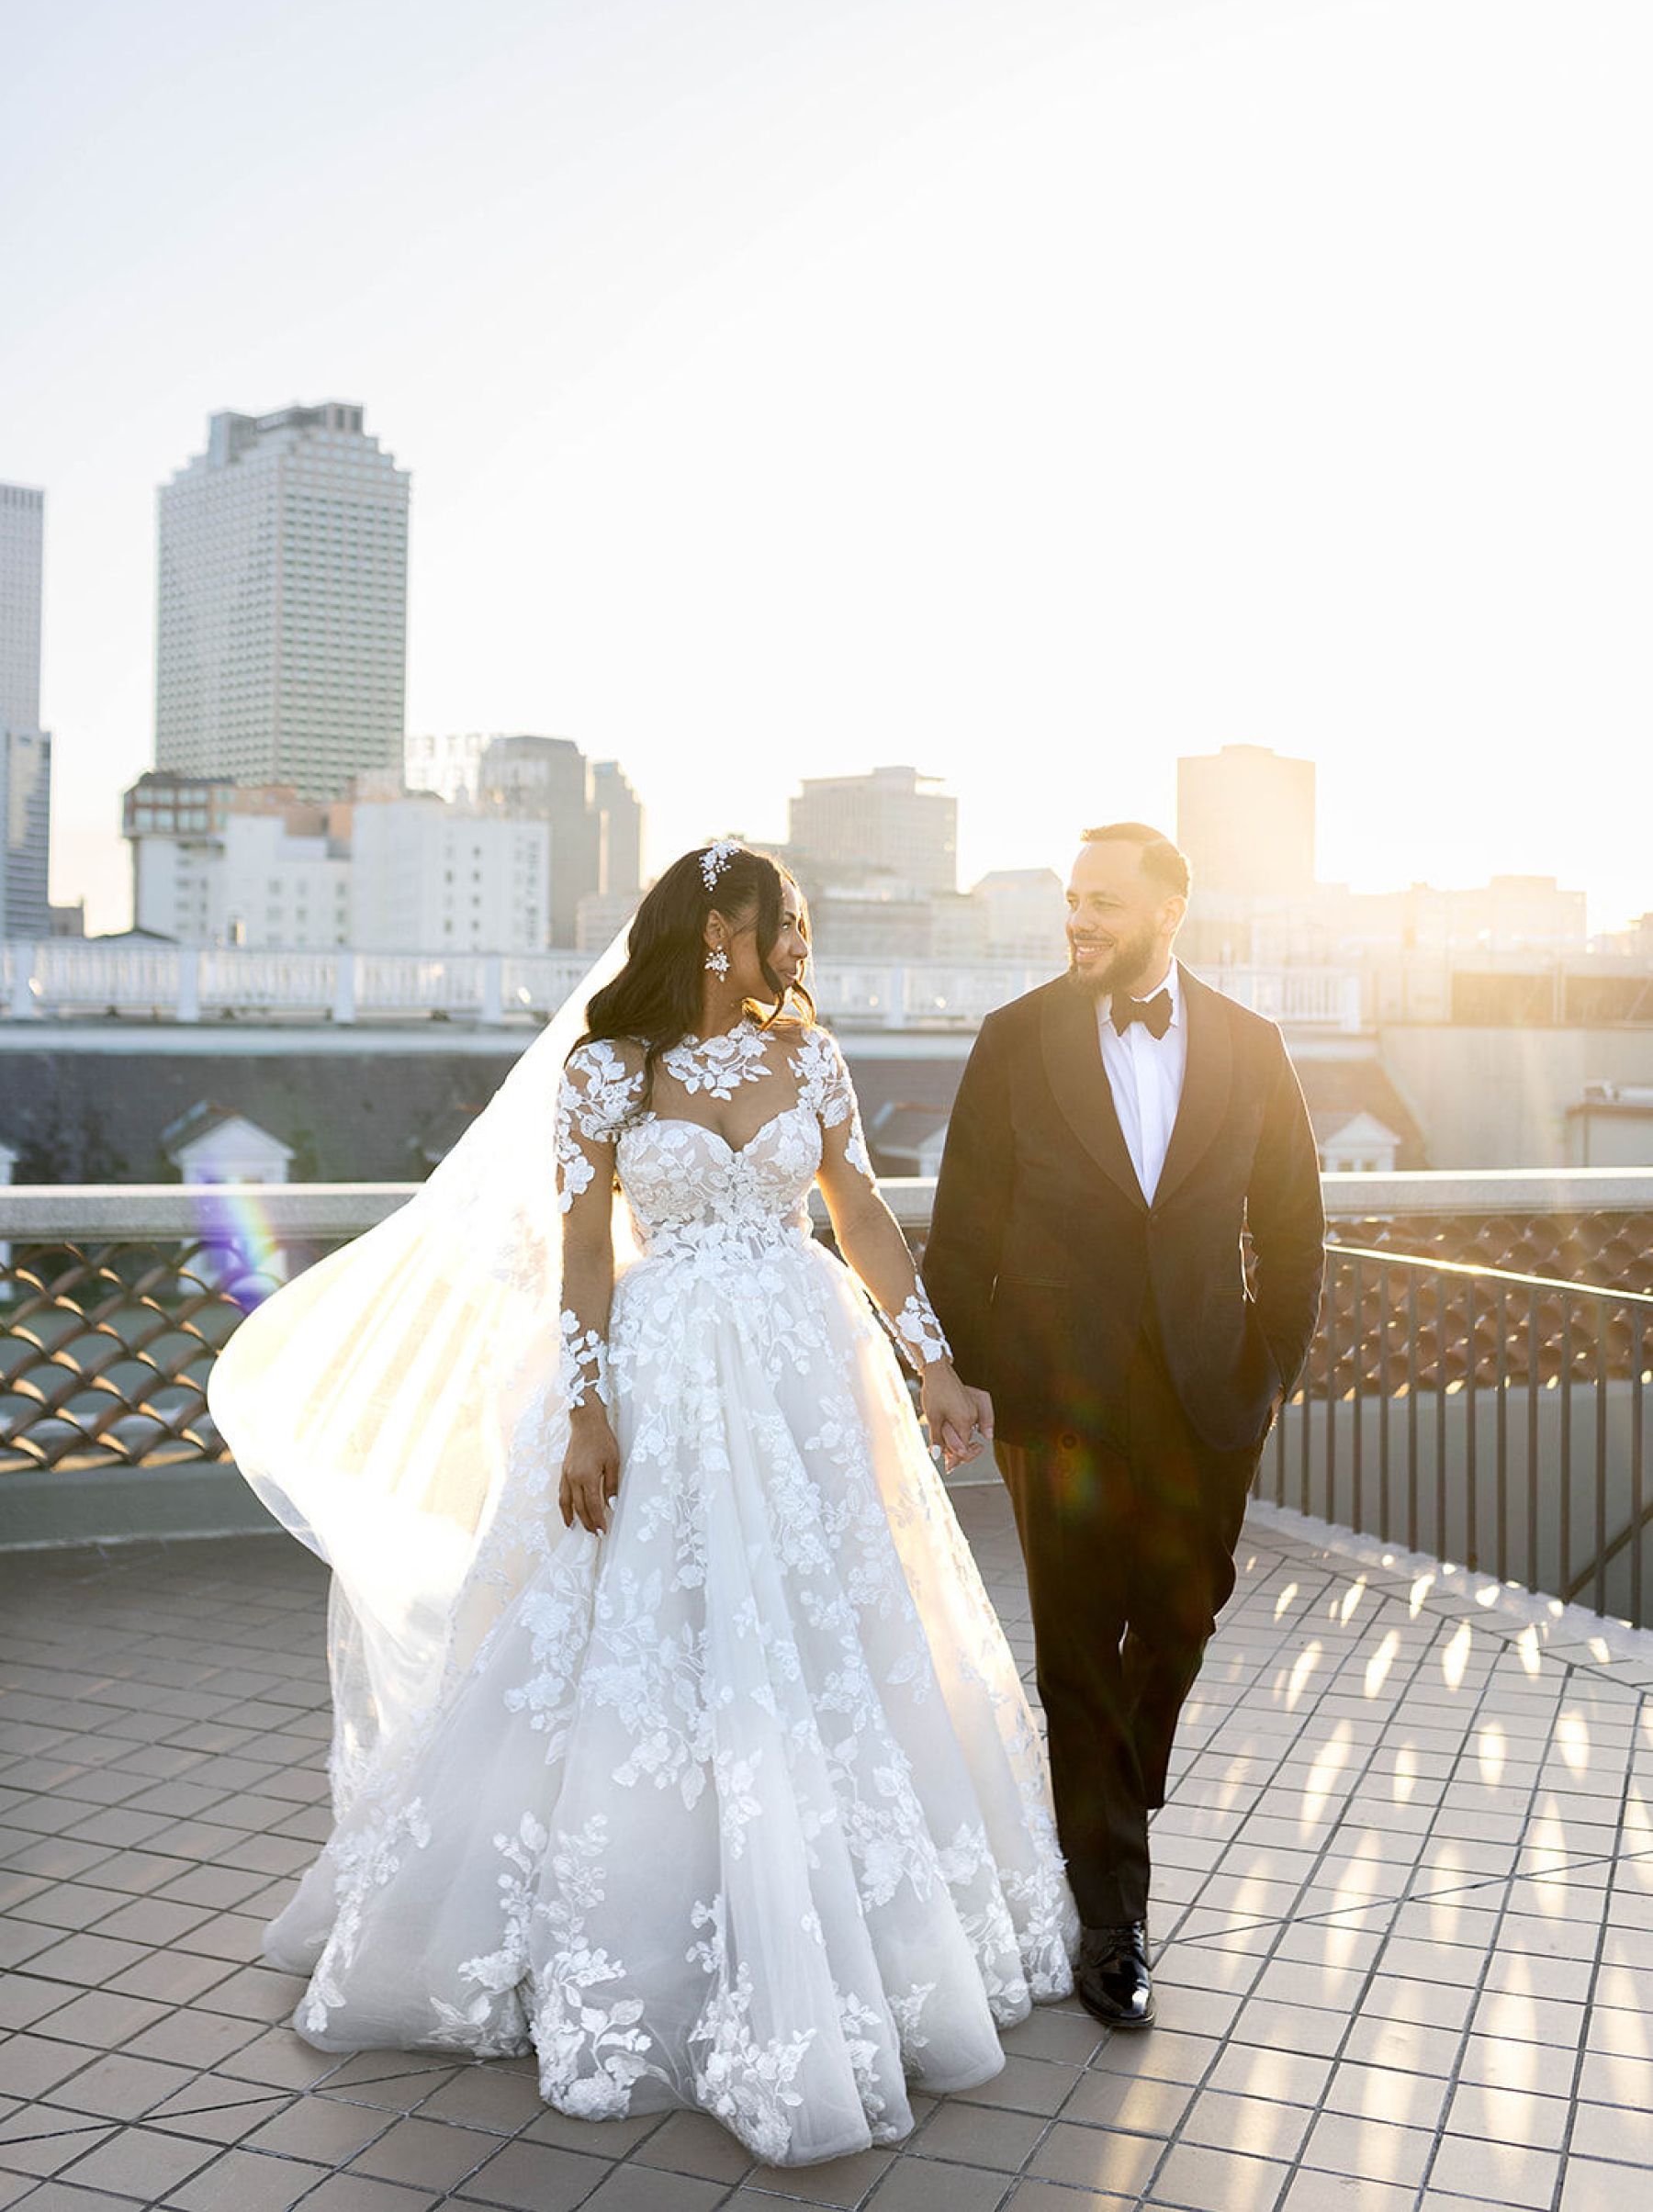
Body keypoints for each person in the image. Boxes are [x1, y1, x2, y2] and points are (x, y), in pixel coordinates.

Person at [208, 843, 1074, 2168]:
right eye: (781, 920)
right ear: (716, 927)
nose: (799, 939)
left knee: (828, 1630)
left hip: (805, 1368)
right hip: (662, 1376)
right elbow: (580, 1252)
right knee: (650, 1639)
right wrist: (592, 1407)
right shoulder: (605, 1069)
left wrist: (936, 1363)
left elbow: (865, 1215)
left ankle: (859, 1921)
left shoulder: (814, 1058)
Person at [924, 823, 1324, 2033]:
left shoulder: (1254, 1047)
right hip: (1061, 1406)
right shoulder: (1014, 1040)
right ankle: (1113, 1921)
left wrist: (1267, 1374)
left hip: (1209, 1399)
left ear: (1168, 911)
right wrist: (965, 1374)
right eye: (1073, 901)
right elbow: (964, 1226)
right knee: (1079, 1648)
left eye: (1103, 902)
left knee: (1186, 1613)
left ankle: (1109, 1797)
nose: (1079, 922)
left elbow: (1296, 1224)